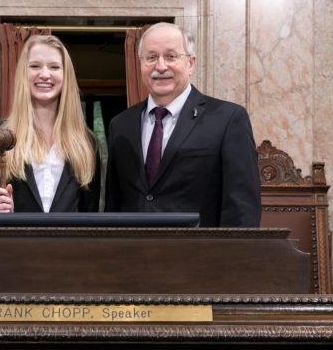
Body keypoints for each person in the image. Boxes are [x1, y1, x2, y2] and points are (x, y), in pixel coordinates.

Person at [104, 22, 260, 227]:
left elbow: (242, 208)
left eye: (171, 56)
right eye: (151, 57)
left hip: (198, 254)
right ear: (140, 64)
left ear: (191, 63)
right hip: (134, 254)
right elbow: (113, 205)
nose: (160, 66)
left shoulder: (228, 119)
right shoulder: (121, 124)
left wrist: (231, 258)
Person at [0, 34, 100, 213]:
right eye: (35, 66)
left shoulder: (87, 143)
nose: (44, 74)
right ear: (23, 74)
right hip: (13, 241)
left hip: (67, 242)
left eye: (54, 67)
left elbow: (89, 214)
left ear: (66, 76)